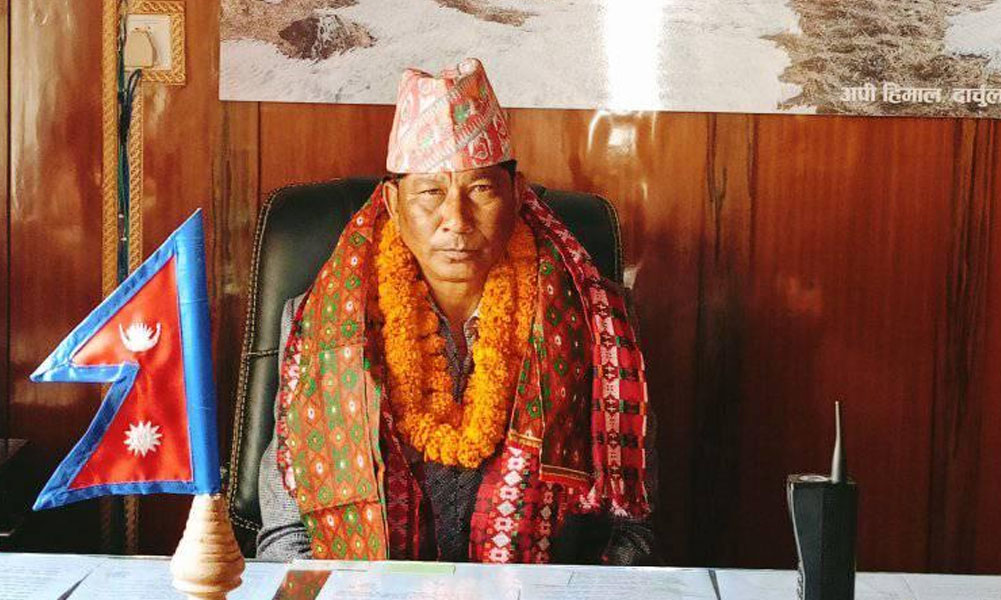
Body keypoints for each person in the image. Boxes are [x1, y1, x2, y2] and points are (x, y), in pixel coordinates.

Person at [257, 58, 656, 564]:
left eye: (480, 190)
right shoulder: (319, 322)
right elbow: (287, 530)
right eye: (430, 192)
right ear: (393, 204)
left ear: (517, 194)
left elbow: (630, 530)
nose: (456, 220)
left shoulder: (594, 321)